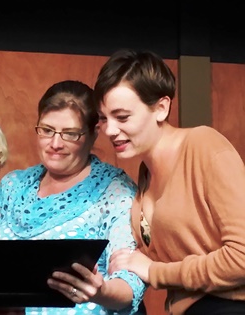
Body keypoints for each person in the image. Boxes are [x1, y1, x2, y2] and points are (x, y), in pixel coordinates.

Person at [99, 49, 245, 315]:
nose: (109, 130)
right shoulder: (144, 178)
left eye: (122, 117)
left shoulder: (203, 145)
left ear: (161, 108)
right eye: (104, 118)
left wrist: (155, 271)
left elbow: (242, 257)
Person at [0, 80, 146, 315]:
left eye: (70, 134)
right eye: (47, 131)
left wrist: (101, 292)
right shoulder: (12, 186)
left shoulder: (114, 192)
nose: (55, 144)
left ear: (93, 133)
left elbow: (129, 285)